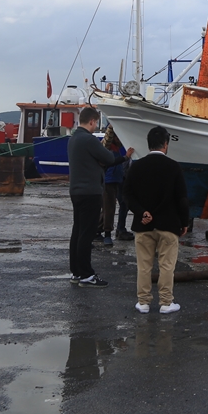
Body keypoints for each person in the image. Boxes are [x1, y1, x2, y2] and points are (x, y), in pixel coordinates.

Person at [124, 125, 190, 314]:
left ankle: (143, 302)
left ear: (148, 145)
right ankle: (166, 303)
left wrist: (141, 212)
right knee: (166, 265)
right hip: (168, 224)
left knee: (144, 266)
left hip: (143, 225)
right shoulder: (174, 167)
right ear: (166, 144)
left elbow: (127, 194)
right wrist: (184, 222)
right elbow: (182, 199)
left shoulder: (137, 167)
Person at [68, 107, 133, 287]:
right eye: (96, 122)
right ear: (91, 121)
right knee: (86, 235)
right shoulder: (88, 139)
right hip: (90, 192)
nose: (96, 125)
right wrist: (125, 156)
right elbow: (108, 157)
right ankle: (87, 275)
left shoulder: (73, 139)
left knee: (77, 232)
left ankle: (75, 272)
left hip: (76, 191)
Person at [100, 127, 128, 247]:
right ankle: (107, 234)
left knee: (122, 204)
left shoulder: (118, 148)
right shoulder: (107, 148)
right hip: (109, 181)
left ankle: (101, 230)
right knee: (108, 208)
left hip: (117, 179)